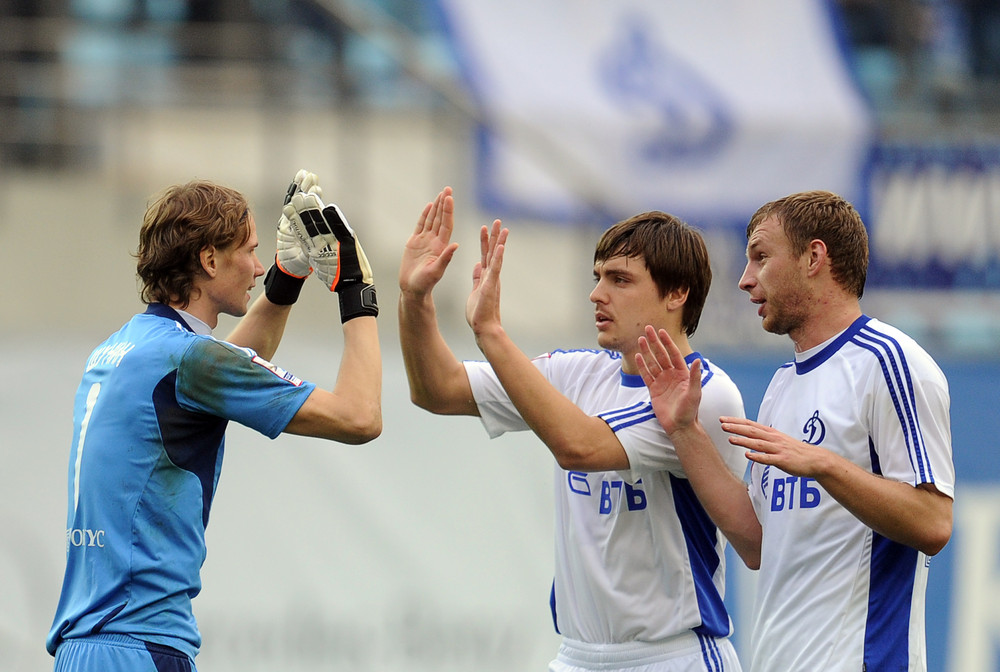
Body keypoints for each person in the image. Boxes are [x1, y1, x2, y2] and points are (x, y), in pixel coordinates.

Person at [398, 186, 747, 672]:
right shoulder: (577, 372)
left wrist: (491, 332)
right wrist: (415, 298)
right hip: (577, 656)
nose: (597, 294)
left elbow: (578, 446)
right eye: (597, 277)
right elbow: (437, 390)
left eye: (620, 279)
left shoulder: (702, 392)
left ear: (676, 293)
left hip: (672, 655)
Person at [46, 172, 382, 671]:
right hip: (141, 647)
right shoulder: (190, 360)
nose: (257, 266)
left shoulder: (125, 346)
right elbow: (360, 416)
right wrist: (355, 289)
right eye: (250, 251)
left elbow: (226, 367)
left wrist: (287, 278)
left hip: (85, 650)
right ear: (209, 260)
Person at [634, 190, 954, 672]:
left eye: (761, 257)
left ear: (814, 257)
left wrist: (823, 464)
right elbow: (757, 544)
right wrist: (684, 431)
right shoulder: (783, 383)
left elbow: (932, 523)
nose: (745, 279)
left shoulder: (891, 362)